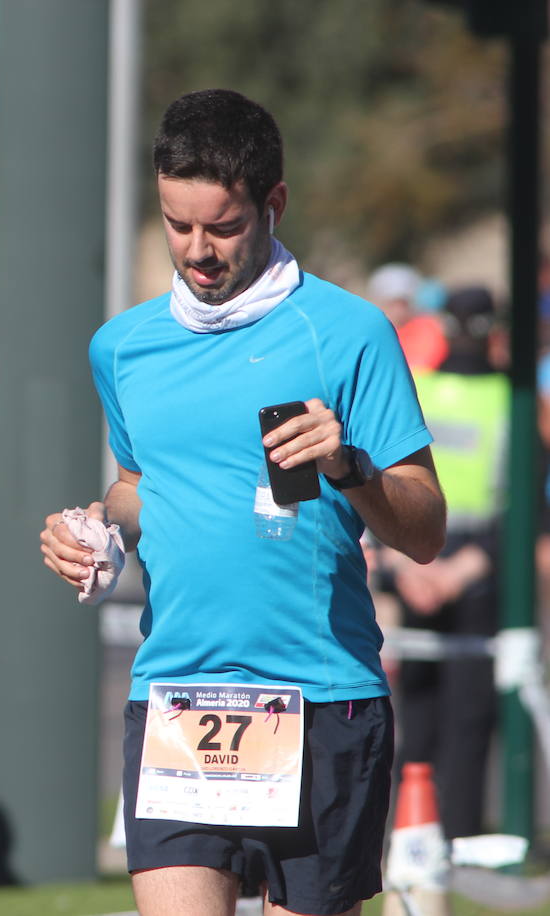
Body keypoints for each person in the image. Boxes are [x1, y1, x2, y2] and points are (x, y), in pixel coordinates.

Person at [39, 89, 446, 916]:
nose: (197, 251)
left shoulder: (349, 332)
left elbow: (427, 529)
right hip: (179, 696)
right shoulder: (121, 346)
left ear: (274, 203)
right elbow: (144, 487)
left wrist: (349, 466)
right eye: (176, 224)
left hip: (320, 697)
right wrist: (94, 530)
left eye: (222, 227)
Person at [380, 286, 506, 839]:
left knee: (419, 717)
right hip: (472, 569)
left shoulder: (417, 389)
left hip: (418, 562)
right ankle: (452, 836)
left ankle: (410, 836)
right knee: (464, 719)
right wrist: (452, 572)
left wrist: (404, 566)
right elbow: (526, 505)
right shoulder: (514, 399)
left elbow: (377, 479)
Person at [368, 262, 448, 372]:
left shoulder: (430, 329)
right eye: (392, 303)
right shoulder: (372, 333)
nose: (398, 310)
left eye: (403, 303)